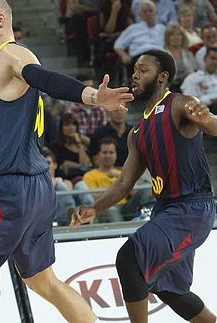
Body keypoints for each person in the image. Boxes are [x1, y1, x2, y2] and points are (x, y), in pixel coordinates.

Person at [0, 1, 132, 322]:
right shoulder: (2, 64)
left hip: (8, 192)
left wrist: (92, 96)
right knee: (44, 281)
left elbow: (44, 77)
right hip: (33, 187)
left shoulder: (12, 55)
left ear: (0, 19)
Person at [70, 49, 216, 322]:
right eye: (134, 69)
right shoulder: (137, 131)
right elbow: (125, 182)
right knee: (170, 290)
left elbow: (213, 126)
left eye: (143, 69)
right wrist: (95, 208)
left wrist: (207, 118)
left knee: (129, 259)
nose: (135, 74)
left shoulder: (180, 103)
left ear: (162, 77)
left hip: (191, 209)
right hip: (167, 210)